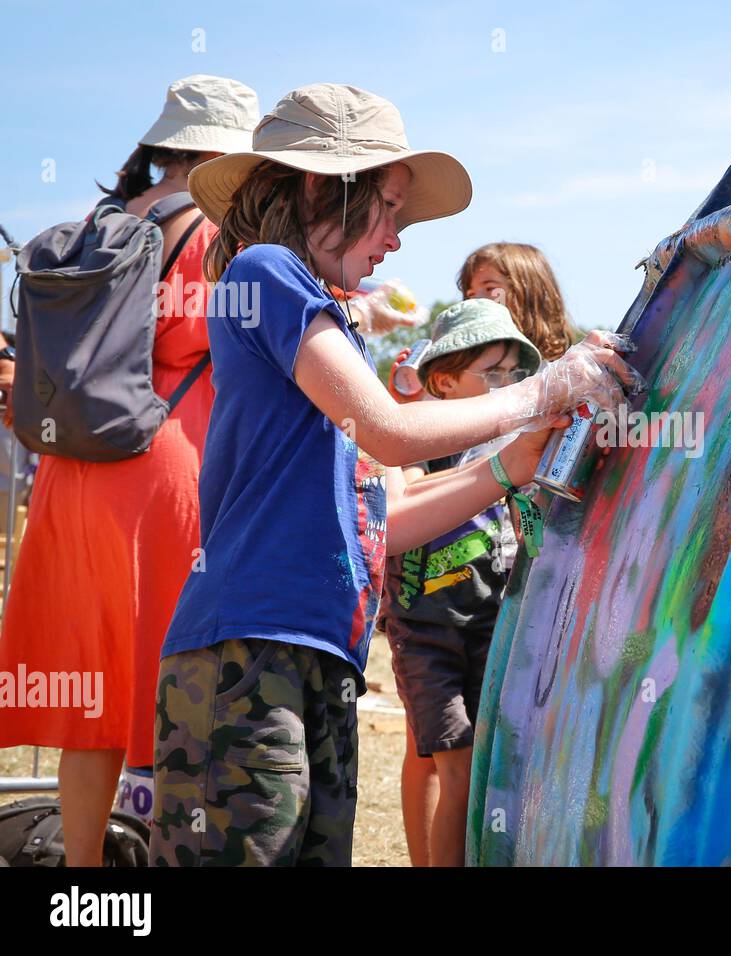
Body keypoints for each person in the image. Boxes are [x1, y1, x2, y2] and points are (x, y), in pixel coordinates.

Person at [150, 83, 640, 867]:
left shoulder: (314, 314)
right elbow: (390, 431)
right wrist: (544, 388)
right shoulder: (265, 271)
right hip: (248, 651)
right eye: (389, 209)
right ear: (321, 186)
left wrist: (508, 470)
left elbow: (383, 515)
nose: (398, 240)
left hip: (313, 654)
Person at [0, 75, 260, 866]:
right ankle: (166, 857)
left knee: (93, 691)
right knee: (175, 680)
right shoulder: (216, 234)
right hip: (163, 469)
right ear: (218, 151)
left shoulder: (98, 224)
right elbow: (240, 351)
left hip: (71, 473)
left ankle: (85, 879)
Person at [380, 298, 540, 866]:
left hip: (488, 627)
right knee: (459, 770)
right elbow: (400, 491)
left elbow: (528, 532)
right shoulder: (416, 444)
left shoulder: (509, 447)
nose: (507, 386)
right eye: (491, 374)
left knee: (485, 775)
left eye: (514, 375)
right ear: (444, 382)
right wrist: (404, 404)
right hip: (427, 638)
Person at [458, 242, 583, 360]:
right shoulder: (465, 367)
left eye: (490, 288)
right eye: (470, 294)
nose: (476, 300)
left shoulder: (562, 373)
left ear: (529, 293)